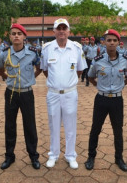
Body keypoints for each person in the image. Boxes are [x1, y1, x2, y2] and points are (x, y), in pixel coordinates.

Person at [40, 18, 87, 169]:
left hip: (70, 93)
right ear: (54, 31)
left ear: (68, 31)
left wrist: (67, 82)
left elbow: (80, 70)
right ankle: (53, 155)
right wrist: (57, 82)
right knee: (53, 125)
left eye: (64, 28)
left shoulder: (77, 48)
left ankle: (70, 155)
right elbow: (45, 70)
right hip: (53, 93)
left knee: (70, 125)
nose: (61, 31)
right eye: (58, 28)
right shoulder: (47, 48)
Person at [84, 29, 127, 171]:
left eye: (114, 40)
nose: (111, 43)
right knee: (95, 129)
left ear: (118, 43)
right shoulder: (97, 61)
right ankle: (91, 156)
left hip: (117, 100)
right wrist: (99, 86)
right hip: (101, 99)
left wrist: (120, 86)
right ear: (104, 42)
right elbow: (91, 77)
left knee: (118, 130)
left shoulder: (125, 61)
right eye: (108, 40)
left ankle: (119, 158)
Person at [0, 24, 41, 170]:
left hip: (27, 93)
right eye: (13, 33)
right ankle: (9, 156)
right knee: (10, 125)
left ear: (24, 37)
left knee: (30, 125)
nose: (16, 36)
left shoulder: (33, 53)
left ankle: (33, 156)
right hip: (11, 93)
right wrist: (6, 78)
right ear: (9, 36)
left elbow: (39, 67)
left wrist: (30, 79)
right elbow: (0, 68)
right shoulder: (4, 53)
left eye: (19, 34)